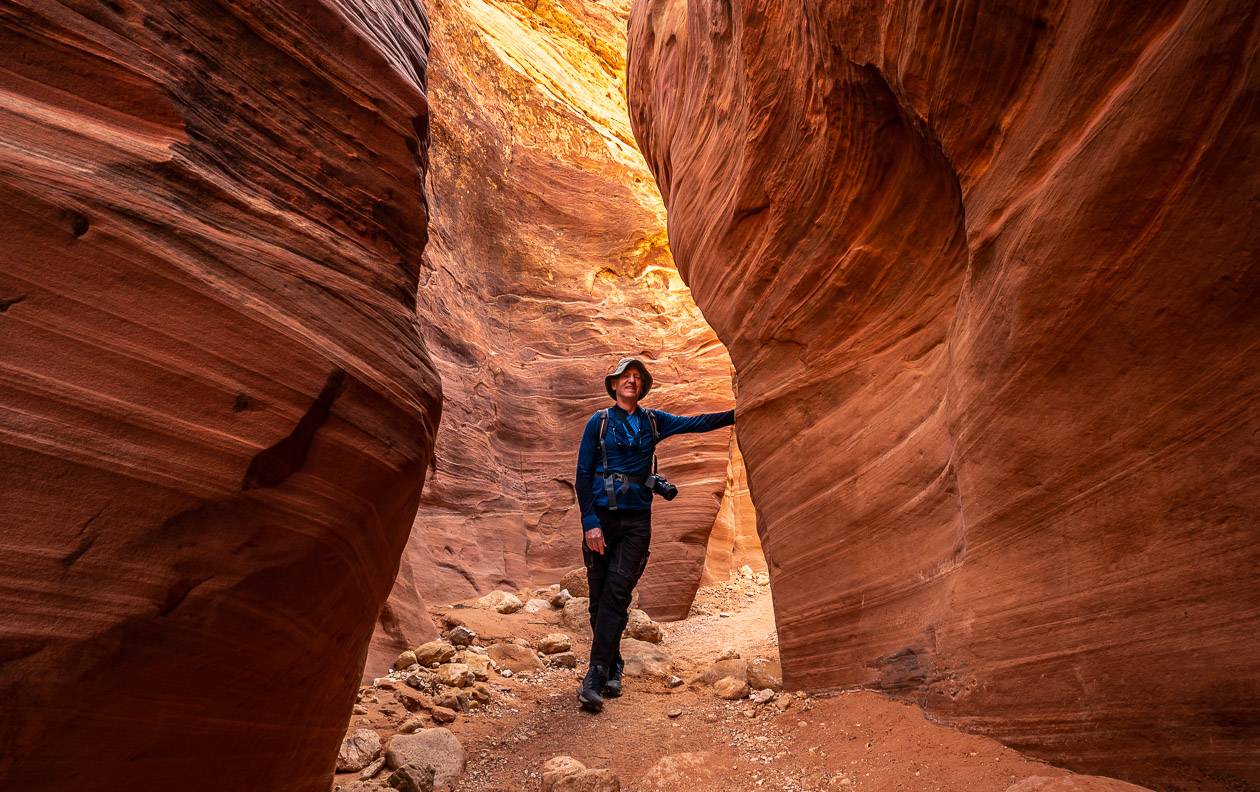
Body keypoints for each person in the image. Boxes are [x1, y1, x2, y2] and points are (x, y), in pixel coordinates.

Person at [573, 357, 735, 712]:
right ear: (614, 385)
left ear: (642, 387)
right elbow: (583, 474)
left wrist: (739, 413)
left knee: (617, 594)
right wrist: (590, 522)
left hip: (636, 523)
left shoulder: (653, 420)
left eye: (637, 377)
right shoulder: (598, 423)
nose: (631, 381)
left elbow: (698, 423)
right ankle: (614, 665)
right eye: (624, 377)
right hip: (602, 520)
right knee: (599, 600)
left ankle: (595, 674)